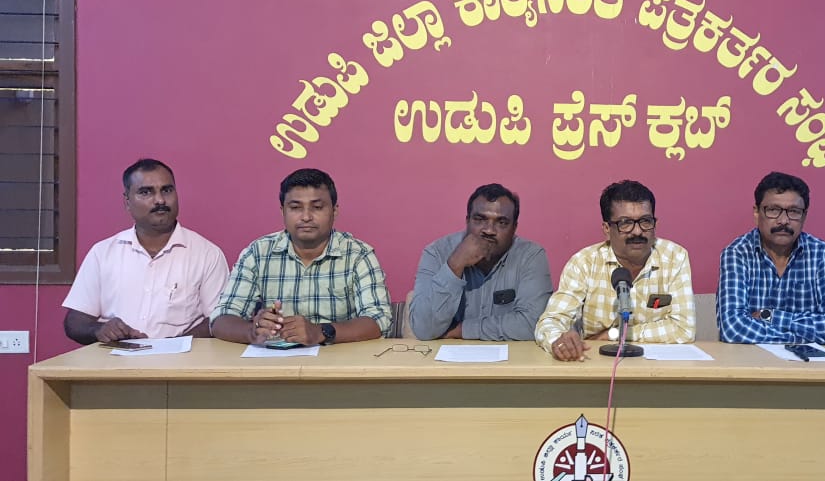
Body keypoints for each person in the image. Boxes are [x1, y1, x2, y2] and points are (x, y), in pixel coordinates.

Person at [210, 168, 392, 346]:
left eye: (317, 207)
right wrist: (253, 331)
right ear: (283, 211)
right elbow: (221, 318)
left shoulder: (358, 255)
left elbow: (379, 319)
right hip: (274, 361)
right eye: (295, 208)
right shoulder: (258, 253)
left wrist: (321, 332)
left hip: (340, 360)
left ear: (334, 211)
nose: (306, 217)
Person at [63, 159, 228, 344]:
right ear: (127, 202)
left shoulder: (207, 254)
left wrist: (170, 347)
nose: (160, 200)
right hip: (113, 359)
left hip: (181, 359)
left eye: (167, 190)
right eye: (146, 192)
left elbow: (218, 319)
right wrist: (99, 330)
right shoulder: (102, 253)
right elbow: (75, 322)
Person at [535, 180, 695, 361]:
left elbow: (684, 329)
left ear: (655, 224)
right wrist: (559, 341)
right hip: (595, 363)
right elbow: (550, 322)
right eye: (625, 223)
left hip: (657, 369)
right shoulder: (584, 262)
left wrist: (613, 335)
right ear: (606, 229)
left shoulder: (674, 257)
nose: (637, 232)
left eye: (645, 221)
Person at [717, 171, 825, 345]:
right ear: (756, 213)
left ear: (804, 216)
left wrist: (770, 316)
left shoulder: (822, 254)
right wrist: (798, 338)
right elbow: (733, 328)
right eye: (773, 210)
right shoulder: (737, 253)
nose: (783, 221)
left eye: (794, 212)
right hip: (753, 360)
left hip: (811, 361)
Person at [409, 183, 551, 340]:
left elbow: (533, 324)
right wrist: (454, 265)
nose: (489, 230)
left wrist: (461, 330)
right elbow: (423, 329)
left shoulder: (530, 256)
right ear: (467, 221)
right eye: (480, 219)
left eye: (502, 222)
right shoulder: (437, 252)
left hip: (510, 355)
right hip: (447, 355)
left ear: (514, 228)